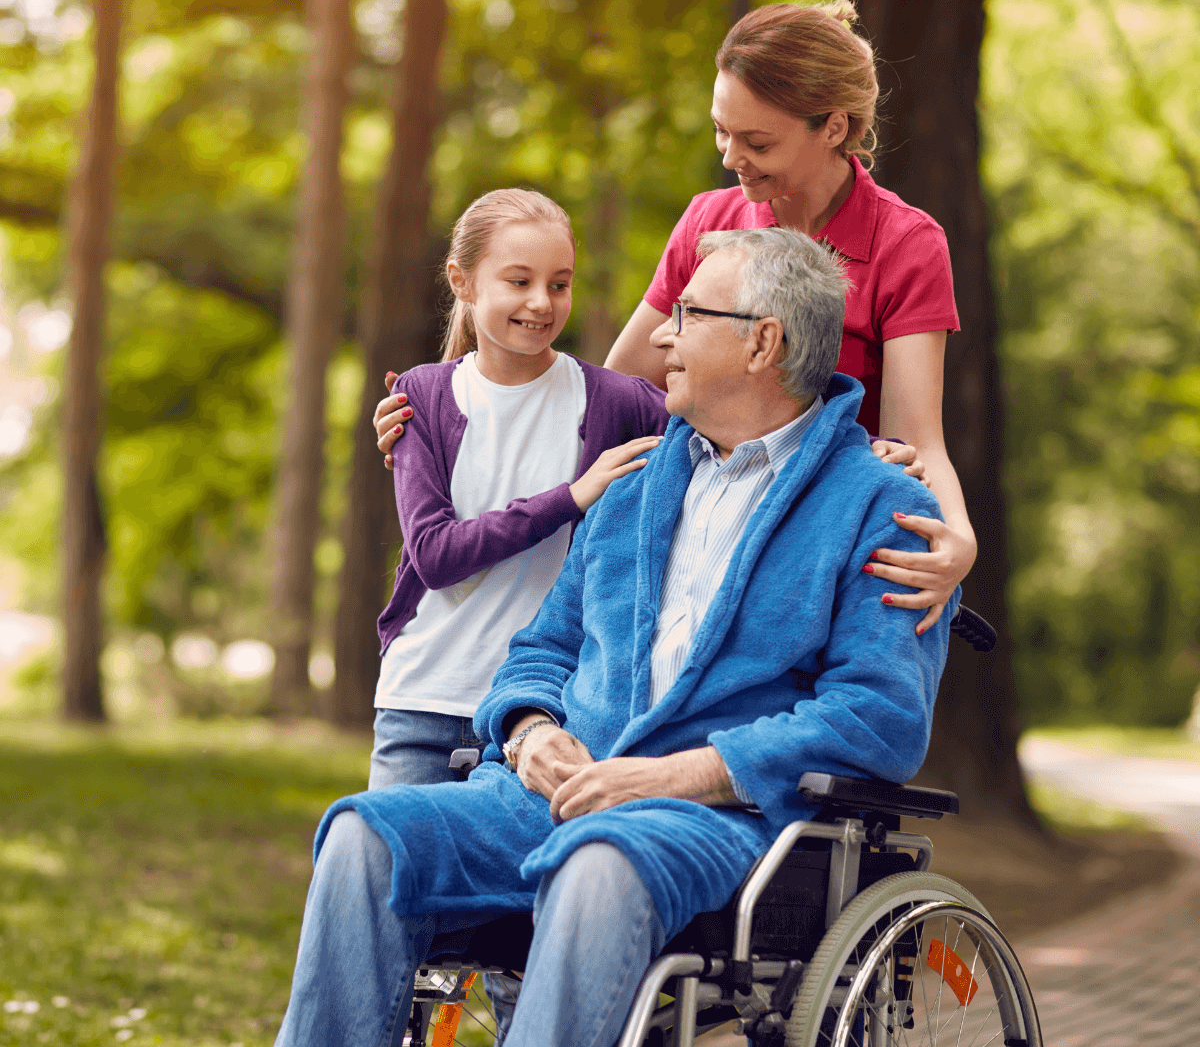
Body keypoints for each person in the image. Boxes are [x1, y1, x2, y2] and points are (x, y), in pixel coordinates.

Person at [274, 227, 959, 1047]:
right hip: (549, 796)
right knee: (364, 837)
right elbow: (541, 649)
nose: (660, 335)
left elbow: (877, 716)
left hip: (717, 818)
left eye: (688, 313)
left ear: (762, 342)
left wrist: (678, 775)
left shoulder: (879, 503)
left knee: (599, 861)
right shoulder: (635, 484)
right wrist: (529, 731)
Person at [375, 0, 975, 636]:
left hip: (821, 540)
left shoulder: (907, 243)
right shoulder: (708, 221)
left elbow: (916, 443)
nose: (729, 155)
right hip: (700, 534)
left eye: (757, 140)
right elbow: (612, 392)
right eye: (721, 129)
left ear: (832, 125)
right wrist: (448, 411)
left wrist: (958, 542)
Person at [366, 187, 665, 793]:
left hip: (542, 714)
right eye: (518, 281)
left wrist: (863, 444)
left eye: (559, 284)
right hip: (424, 701)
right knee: (391, 876)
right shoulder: (422, 396)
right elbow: (436, 555)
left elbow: (734, 437)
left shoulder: (614, 400)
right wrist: (572, 497)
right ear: (463, 282)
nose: (541, 302)